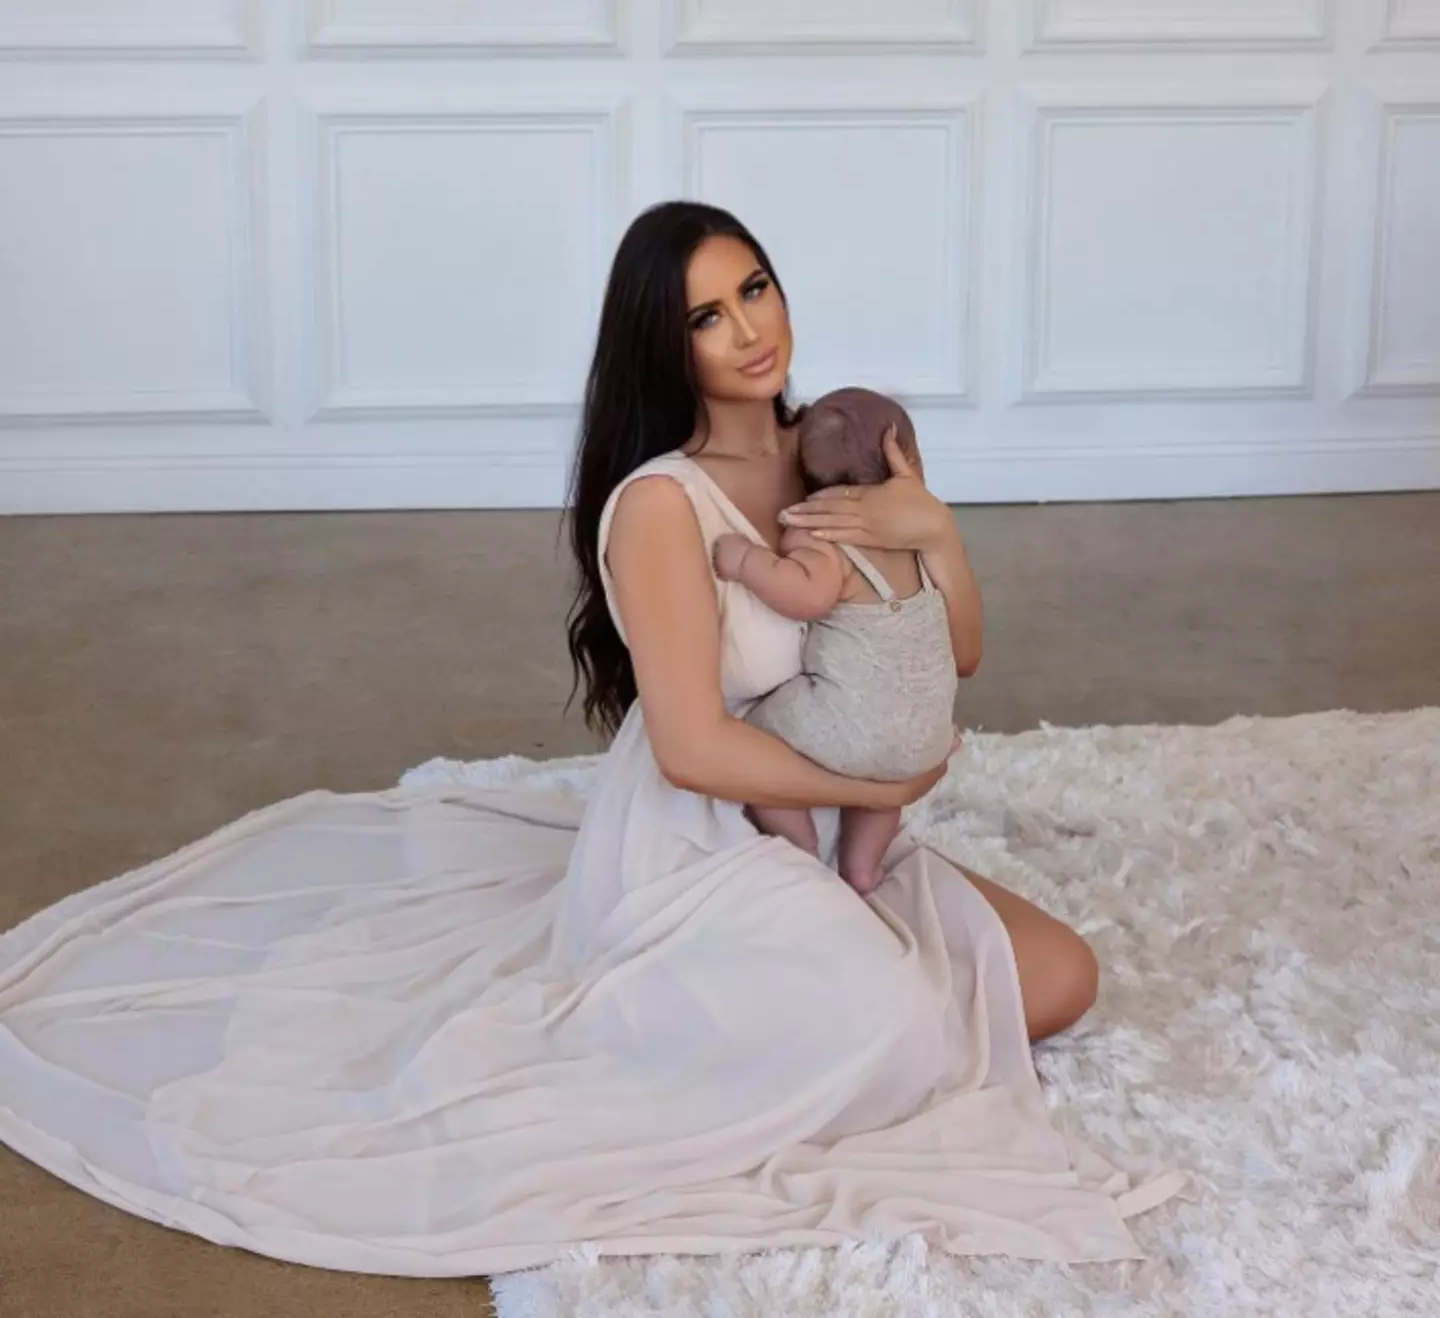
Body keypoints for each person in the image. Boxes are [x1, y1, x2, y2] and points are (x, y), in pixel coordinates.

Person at [0, 200, 1184, 1279]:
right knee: (891, 1024)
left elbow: (954, 650)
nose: (749, 332)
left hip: (832, 817)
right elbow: (693, 751)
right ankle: (758, 995)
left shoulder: (843, 446)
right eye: (708, 318)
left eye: (756, 289)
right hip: (712, 840)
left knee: (1060, 978)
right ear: (664, 348)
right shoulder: (664, 506)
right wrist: (897, 773)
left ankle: (826, 962)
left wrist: (937, 525)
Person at [707, 386, 960, 895]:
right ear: (904, 461)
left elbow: (808, 596)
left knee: (753, 736)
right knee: (884, 788)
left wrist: (748, 562)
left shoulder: (820, 534)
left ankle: (798, 845)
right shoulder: (914, 536)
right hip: (928, 736)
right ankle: (863, 867)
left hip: (855, 726)